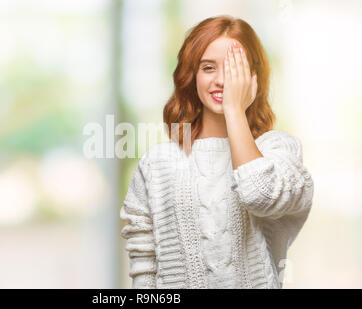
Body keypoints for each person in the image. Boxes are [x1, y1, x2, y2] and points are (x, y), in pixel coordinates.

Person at [119, 15, 314, 289]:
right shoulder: (157, 164)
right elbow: (143, 260)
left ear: (254, 77)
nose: (222, 80)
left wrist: (235, 110)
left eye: (235, 68)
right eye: (208, 68)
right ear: (192, 76)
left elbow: (259, 193)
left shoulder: (279, 150)